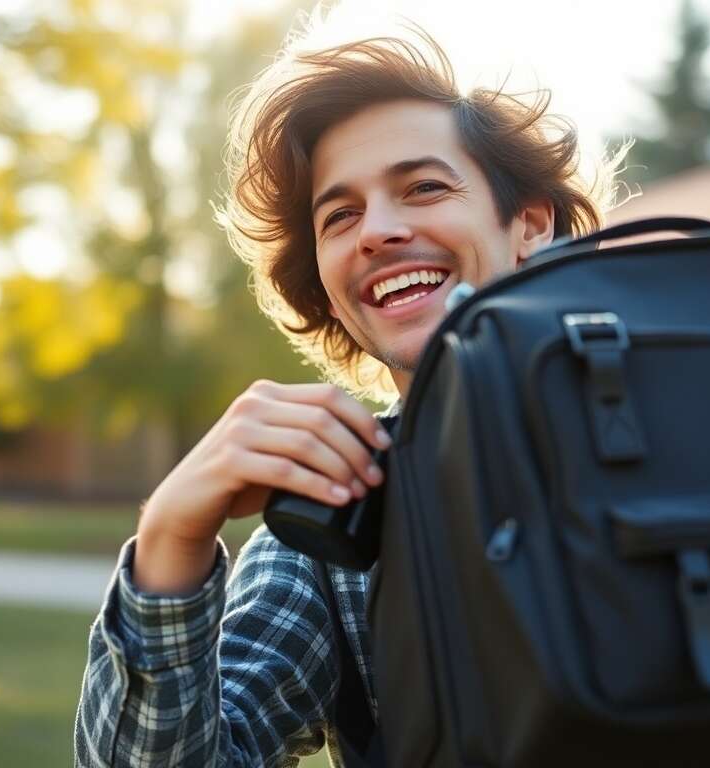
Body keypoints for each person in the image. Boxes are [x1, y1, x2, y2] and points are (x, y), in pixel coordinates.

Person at [75, 16, 624, 767]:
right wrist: (171, 535)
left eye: (424, 187)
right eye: (341, 215)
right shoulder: (330, 536)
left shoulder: (701, 416)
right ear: (330, 291)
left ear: (528, 223)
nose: (377, 231)